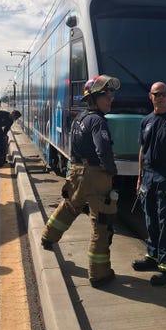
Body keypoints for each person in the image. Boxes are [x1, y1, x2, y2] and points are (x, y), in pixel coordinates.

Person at [41, 74, 120, 288]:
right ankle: (99, 273)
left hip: (76, 171)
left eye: (111, 96)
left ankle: (48, 236)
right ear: (94, 98)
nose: (111, 99)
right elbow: (102, 149)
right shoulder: (98, 121)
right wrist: (112, 171)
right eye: (107, 96)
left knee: (69, 207)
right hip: (95, 175)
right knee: (102, 223)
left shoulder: (80, 119)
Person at [132, 81, 166, 286]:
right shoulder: (146, 120)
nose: (161, 97)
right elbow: (142, 150)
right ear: (150, 96)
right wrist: (139, 177)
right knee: (150, 219)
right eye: (157, 94)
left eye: (164, 94)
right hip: (148, 176)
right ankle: (153, 257)